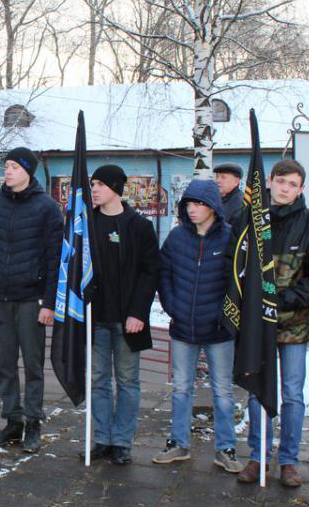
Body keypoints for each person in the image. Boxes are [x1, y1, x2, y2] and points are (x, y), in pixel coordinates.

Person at [237, 159, 309, 488]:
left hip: (294, 323)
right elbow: (236, 264)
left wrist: (284, 300)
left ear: (301, 189)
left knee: (292, 394)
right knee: (257, 391)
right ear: (270, 182)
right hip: (257, 325)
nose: (285, 189)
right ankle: (258, 456)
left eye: (293, 184)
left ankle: (289, 460)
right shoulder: (251, 219)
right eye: (281, 182)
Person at [0, 147, 64, 454]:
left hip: (31, 299)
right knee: (4, 364)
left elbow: (54, 259)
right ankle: (13, 421)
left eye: (13, 166)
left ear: (28, 171)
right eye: (6, 166)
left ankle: (33, 422)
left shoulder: (47, 208)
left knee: (33, 365)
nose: (7, 171)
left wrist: (49, 303)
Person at [154, 178, 244, 473]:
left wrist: (224, 315)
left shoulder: (230, 237)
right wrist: (172, 306)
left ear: (213, 207)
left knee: (223, 391)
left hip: (219, 331)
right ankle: (178, 443)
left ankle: (225, 448)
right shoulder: (177, 237)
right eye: (188, 204)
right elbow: (164, 273)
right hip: (183, 327)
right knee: (181, 389)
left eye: (198, 204)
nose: (192, 209)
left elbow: (237, 281)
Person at [84, 165, 159, 465]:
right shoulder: (86, 224)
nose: (94, 189)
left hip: (128, 320)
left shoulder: (139, 226)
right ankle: (102, 438)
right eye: (92, 184)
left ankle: (122, 441)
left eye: (100, 184)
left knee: (127, 382)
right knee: (98, 381)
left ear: (116, 188)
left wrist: (138, 312)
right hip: (95, 318)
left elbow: (150, 272)